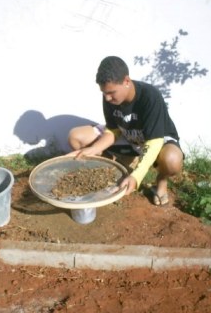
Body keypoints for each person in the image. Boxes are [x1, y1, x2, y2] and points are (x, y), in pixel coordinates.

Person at [68, 56, 183, 206]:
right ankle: (109, 170)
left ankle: (161, 181)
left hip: (155, 139)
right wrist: (93, 149)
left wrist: (137, 176)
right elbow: (113, 130)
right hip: (128, 136)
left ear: (126, 81)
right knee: (75, 137)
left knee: (172, 161)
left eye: (111, 93)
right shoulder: (109, 97)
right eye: (104, 93)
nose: (107, 98)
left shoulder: (150, 96)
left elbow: (154, 141)